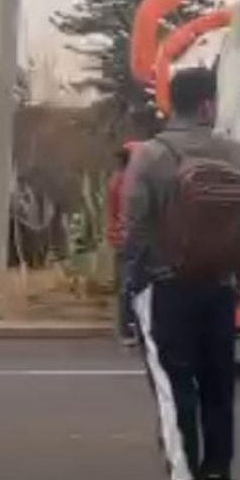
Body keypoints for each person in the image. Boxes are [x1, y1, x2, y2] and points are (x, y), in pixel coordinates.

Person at [122, 66, 240, 480]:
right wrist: (238, 279)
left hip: (167, 286)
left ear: (172, 104)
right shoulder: (238, 155)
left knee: (172, 383)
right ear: (207, 105)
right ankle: (218, 476)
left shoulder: (152, 155)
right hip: (219, 283)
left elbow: (135, 230)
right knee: (218, 381)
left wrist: (130, 291)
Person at [107, 143, 137, 344]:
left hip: (119, 238)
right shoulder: (131, 182)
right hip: (132, 239)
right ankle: (129, 328)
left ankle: (126, 328)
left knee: (125, 284)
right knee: (133, 284)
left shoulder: (116, 179)